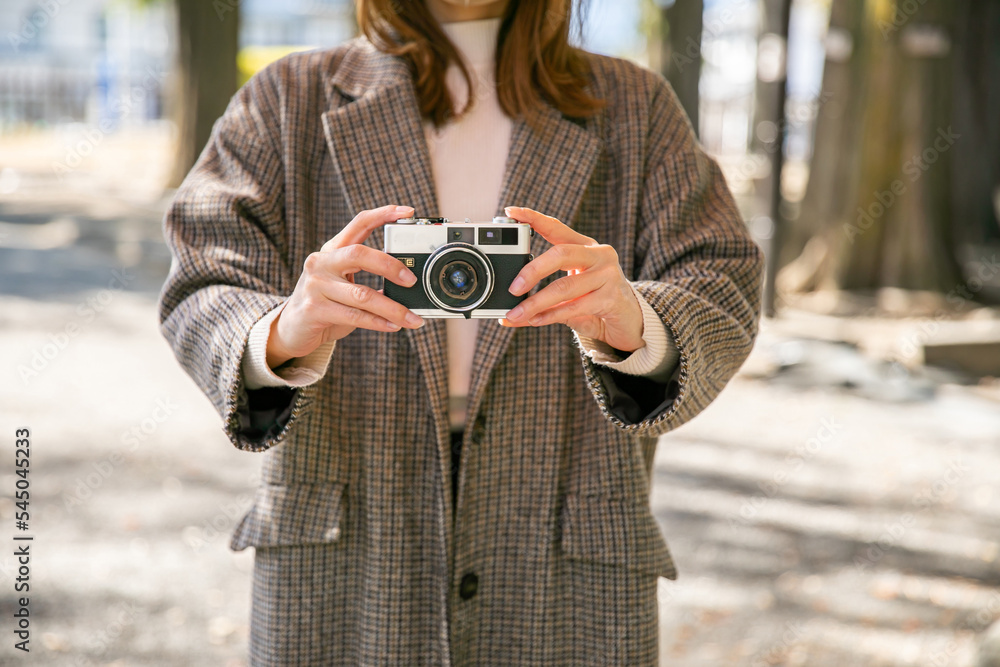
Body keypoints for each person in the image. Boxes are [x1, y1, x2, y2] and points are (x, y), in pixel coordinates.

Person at [158, 0, 764, 664]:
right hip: (343, 543)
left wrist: (634, 319)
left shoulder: (634, 107)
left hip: (566, 554)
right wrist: (282, 329)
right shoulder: (286, 99)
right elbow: (203, 276)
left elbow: (720, 279)